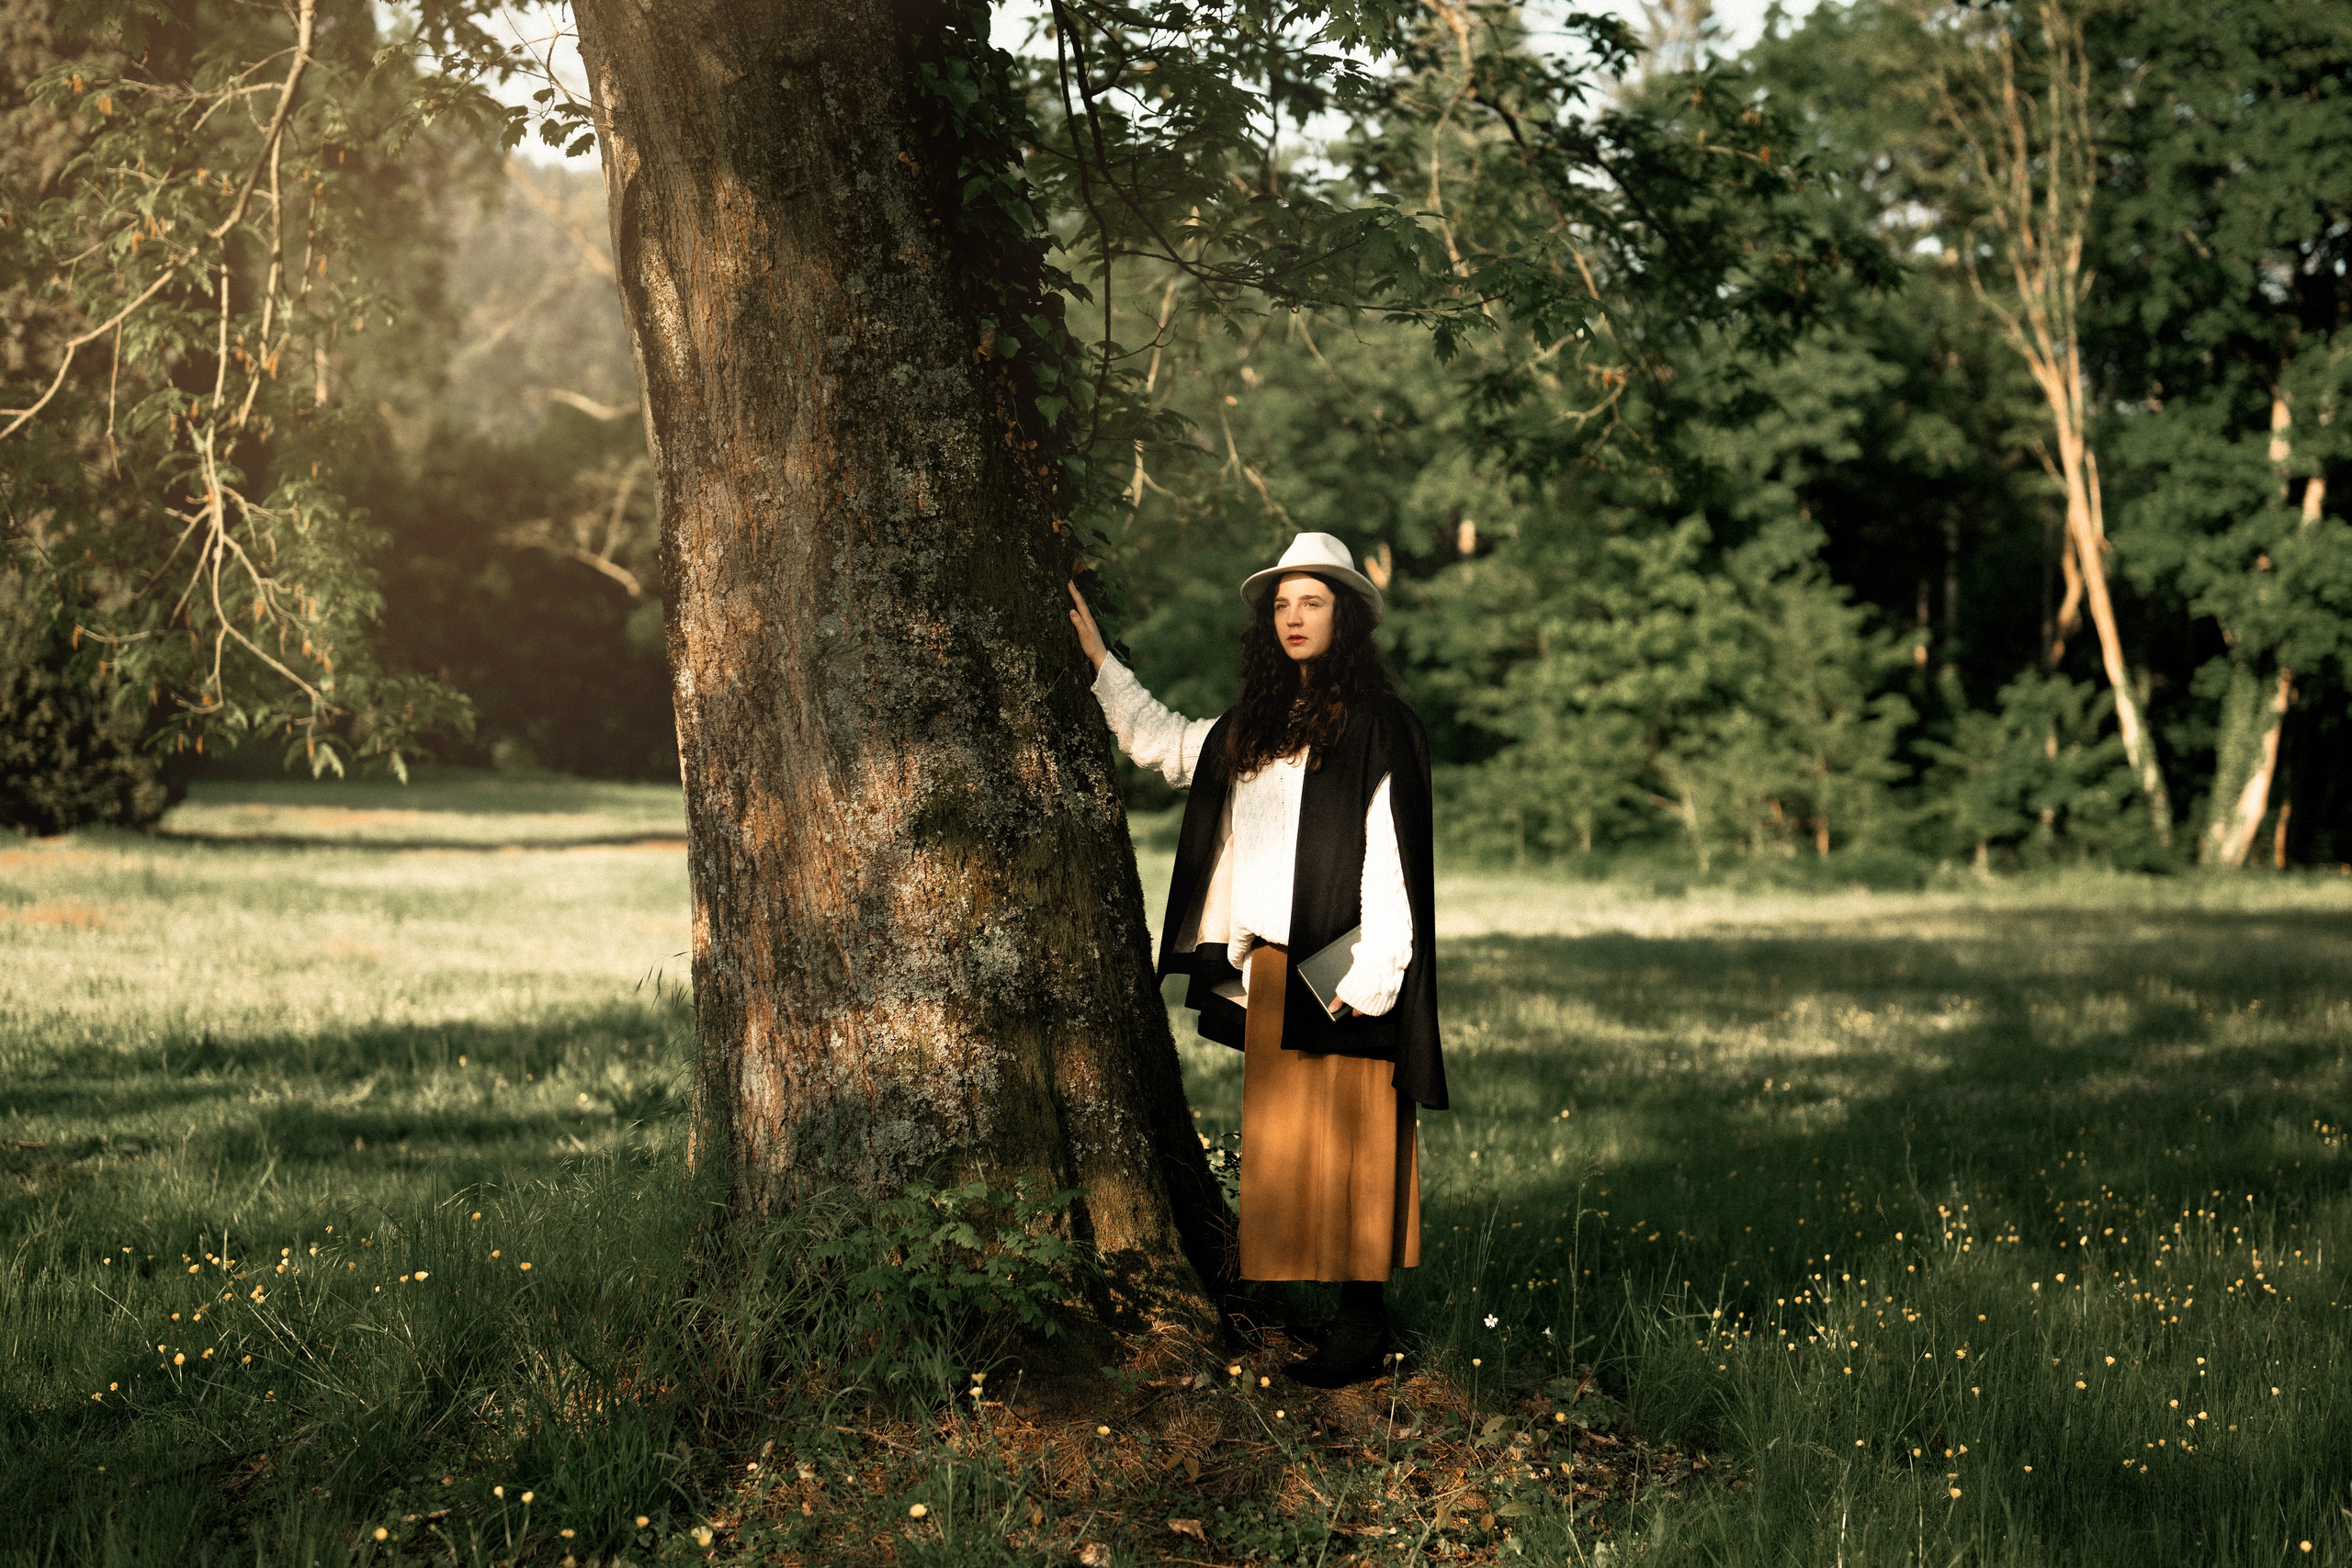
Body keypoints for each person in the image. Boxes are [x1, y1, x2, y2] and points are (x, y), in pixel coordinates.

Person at [1069, 531, 1447, 1389]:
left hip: (1346, 966)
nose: (1293, 616)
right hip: (1275, 968)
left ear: (1345, 616)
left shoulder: (1379, 724)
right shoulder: (1257, 729)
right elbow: (1162, 741)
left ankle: (1362, 1323)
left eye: (1312, 601)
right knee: (1293, 1148)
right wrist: (1099, 661)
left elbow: (1394, 850)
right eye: (1281, 604)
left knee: (1358, 1142)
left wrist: (1375, 974)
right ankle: (1333, 1316)